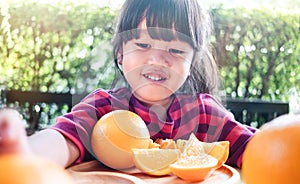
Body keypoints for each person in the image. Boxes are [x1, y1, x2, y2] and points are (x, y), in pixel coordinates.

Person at [0, 0, 256, 169]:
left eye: (176, 50)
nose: (157, 59)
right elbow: (62, 139)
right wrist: (22, 157)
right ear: (121, 54)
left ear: (192, 62)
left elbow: (255, 151)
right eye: (143, 45)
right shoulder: (103, 108)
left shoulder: (205, 115)